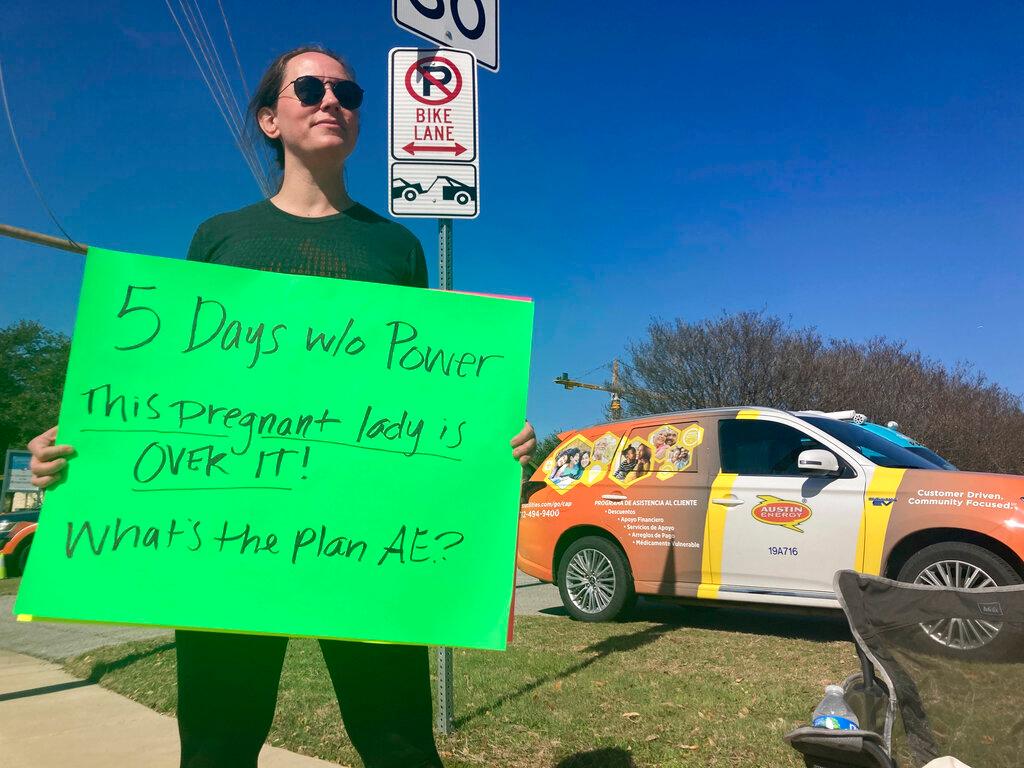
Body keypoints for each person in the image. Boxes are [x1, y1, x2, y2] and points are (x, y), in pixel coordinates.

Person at [26, 45, 536, 768]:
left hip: (367, 537)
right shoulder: (220, 237)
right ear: (270, 118)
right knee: (217, 744)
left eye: (349, 92)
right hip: (229, 535)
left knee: (398, 741)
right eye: (310, 87)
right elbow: (172, 393)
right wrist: (80, 446)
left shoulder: (396, 247)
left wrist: (492, 441)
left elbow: (424, 394)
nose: (333, 100)